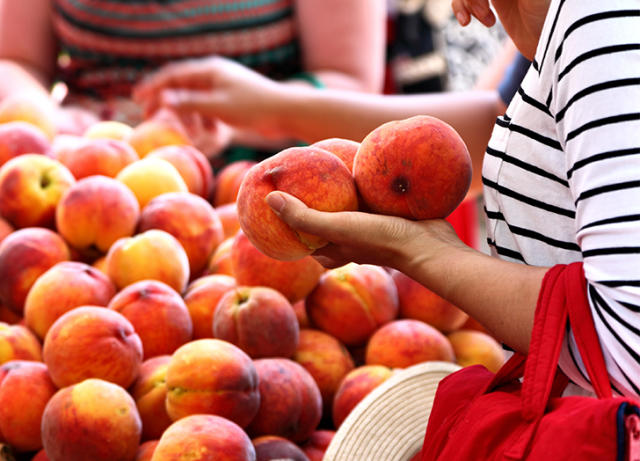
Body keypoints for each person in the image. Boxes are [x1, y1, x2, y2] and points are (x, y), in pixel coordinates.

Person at [153, 0, 640, 397]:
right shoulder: (574, 19)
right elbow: (504, 129)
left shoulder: (602, 22)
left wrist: (415, 251)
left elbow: (622, 342)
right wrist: (539, 45)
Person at [0, 0, 387, 158]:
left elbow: (349, 83)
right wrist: (39, 114)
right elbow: (14, 60)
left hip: (270, 180)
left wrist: (239, 122)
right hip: (88, 167)